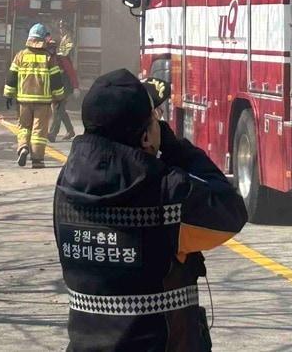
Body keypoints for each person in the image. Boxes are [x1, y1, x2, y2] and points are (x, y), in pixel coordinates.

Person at [53, 70, 247, 351]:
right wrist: (174, 147)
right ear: (145, 137)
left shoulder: (66, 186)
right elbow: (230, 210)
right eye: (155, 119)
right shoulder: (167, 192)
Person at [4, 22, 67, 169]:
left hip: (23, 101)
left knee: (24, 127)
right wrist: (59, 98)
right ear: (43, 39)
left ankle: (23, 147)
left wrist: (8, 95)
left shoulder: (20, 56)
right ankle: (37, 160)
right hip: (43, 102)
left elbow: (11, 77)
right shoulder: (49, 58)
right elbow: (56, 81)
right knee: (39, 131)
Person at [48, 31, 79, 141]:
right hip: (55, 88)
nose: (50, 49)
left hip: (65, 87)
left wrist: (76, 87)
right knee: (59, 110)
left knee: (58, 110)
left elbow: (71, 72)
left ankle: (52, 133)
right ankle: (70, 130)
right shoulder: (49, 58)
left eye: (52, 47)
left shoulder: (62, 58)